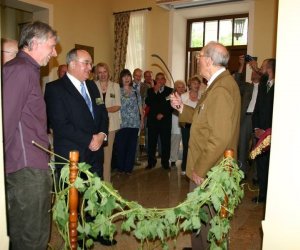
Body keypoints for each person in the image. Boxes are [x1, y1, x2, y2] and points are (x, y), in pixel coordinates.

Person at [171, 41, 241, 249]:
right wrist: (183, 107)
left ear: (209, 60)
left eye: (200, 56)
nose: (198, 60)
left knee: (209, 222)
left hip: (209, 168)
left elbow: (219, 136)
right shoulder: (217, 85)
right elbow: (205, 119)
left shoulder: (221, 89)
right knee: (201, 219)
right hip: (209, 165)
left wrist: (200, 169)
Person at [3, 21, 57, 250]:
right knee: (31, 237)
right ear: (34, 43)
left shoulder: (27, 70)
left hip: (32, 164)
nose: (55, 53)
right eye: (52, 46)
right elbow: (5, 121)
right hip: (25, 168)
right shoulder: (20, 70)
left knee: (33, 233)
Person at [252, 58, 276, 203]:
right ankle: (262, 194)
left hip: (272, 132)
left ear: (269, 69)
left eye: (263, 66)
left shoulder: (281, 86)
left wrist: (269, 130)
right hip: (260, 132)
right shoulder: (262, 85)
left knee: (270, 165)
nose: (260, 68)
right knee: (260, 164)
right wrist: (256, 128)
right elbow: (257, 109)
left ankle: (271, 196)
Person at [235, 55, 262, 175]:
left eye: (256, 72)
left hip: (259, 120)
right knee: (242, 145)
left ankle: (257, 175)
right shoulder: (247, 87)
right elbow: (237, 81)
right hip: (246, 118)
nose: (253, 74)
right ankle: (242, 171)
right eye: (252, 73)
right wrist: (242, 65)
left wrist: (257, 67)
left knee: (258, 147)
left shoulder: (265, 88)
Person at [94, 62, 121, 182]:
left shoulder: (115, 86)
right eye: (100, 72)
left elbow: (117, 105)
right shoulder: (92, 85)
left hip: (111, 125)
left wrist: (103, 110)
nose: (102, 74)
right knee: (97, 155)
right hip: (96, 125)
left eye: (104, 71)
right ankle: (97, 182)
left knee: (107, 155)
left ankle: (107, 183)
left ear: (108, 73)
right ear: (96, 74)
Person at [115, 69, 143, 174]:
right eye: (124, 76)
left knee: (132, 147)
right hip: (121, 123)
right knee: (121, 146)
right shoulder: (117, 90)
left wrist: (142, 120)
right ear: (121, 78)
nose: (127, 78)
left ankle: (128, 168)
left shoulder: (136, 92)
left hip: (134, 123)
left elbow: (140, 106)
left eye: (128, 76)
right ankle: (120, 168)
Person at [145, 72, 173, 169]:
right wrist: (155, 91)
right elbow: (148, 103)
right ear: (155, 80)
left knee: (166, 143)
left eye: (162, 79)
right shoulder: (150, 91)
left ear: (165, 81)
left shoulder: (170, 91)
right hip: (153, 121)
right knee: (151, 143)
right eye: (158, 78)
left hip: (165, 121)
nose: (160, 80)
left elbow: (171, 106)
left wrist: (163, 114)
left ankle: (165, 163)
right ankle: (151, 162)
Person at [180, 75, 203, 175]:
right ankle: (184, 167)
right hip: (186, 125)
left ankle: (196, 168)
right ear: (189, 85)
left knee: (197, 147)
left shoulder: (203, 96)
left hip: (198, 125)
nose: (196, 85)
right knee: (186, 146)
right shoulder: (184, 96)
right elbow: (180, 110)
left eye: (198, 83)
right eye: (194, 83)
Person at [169, 80, 186, 167]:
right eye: (179, 87)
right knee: (175, 140)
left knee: (186, 142)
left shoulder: (187, 96)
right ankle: (173, 160)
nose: (181, 89)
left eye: (182, 87)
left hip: (186, 121)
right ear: (176, 88)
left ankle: (185, 161)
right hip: (176, 120)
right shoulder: (172, 96)